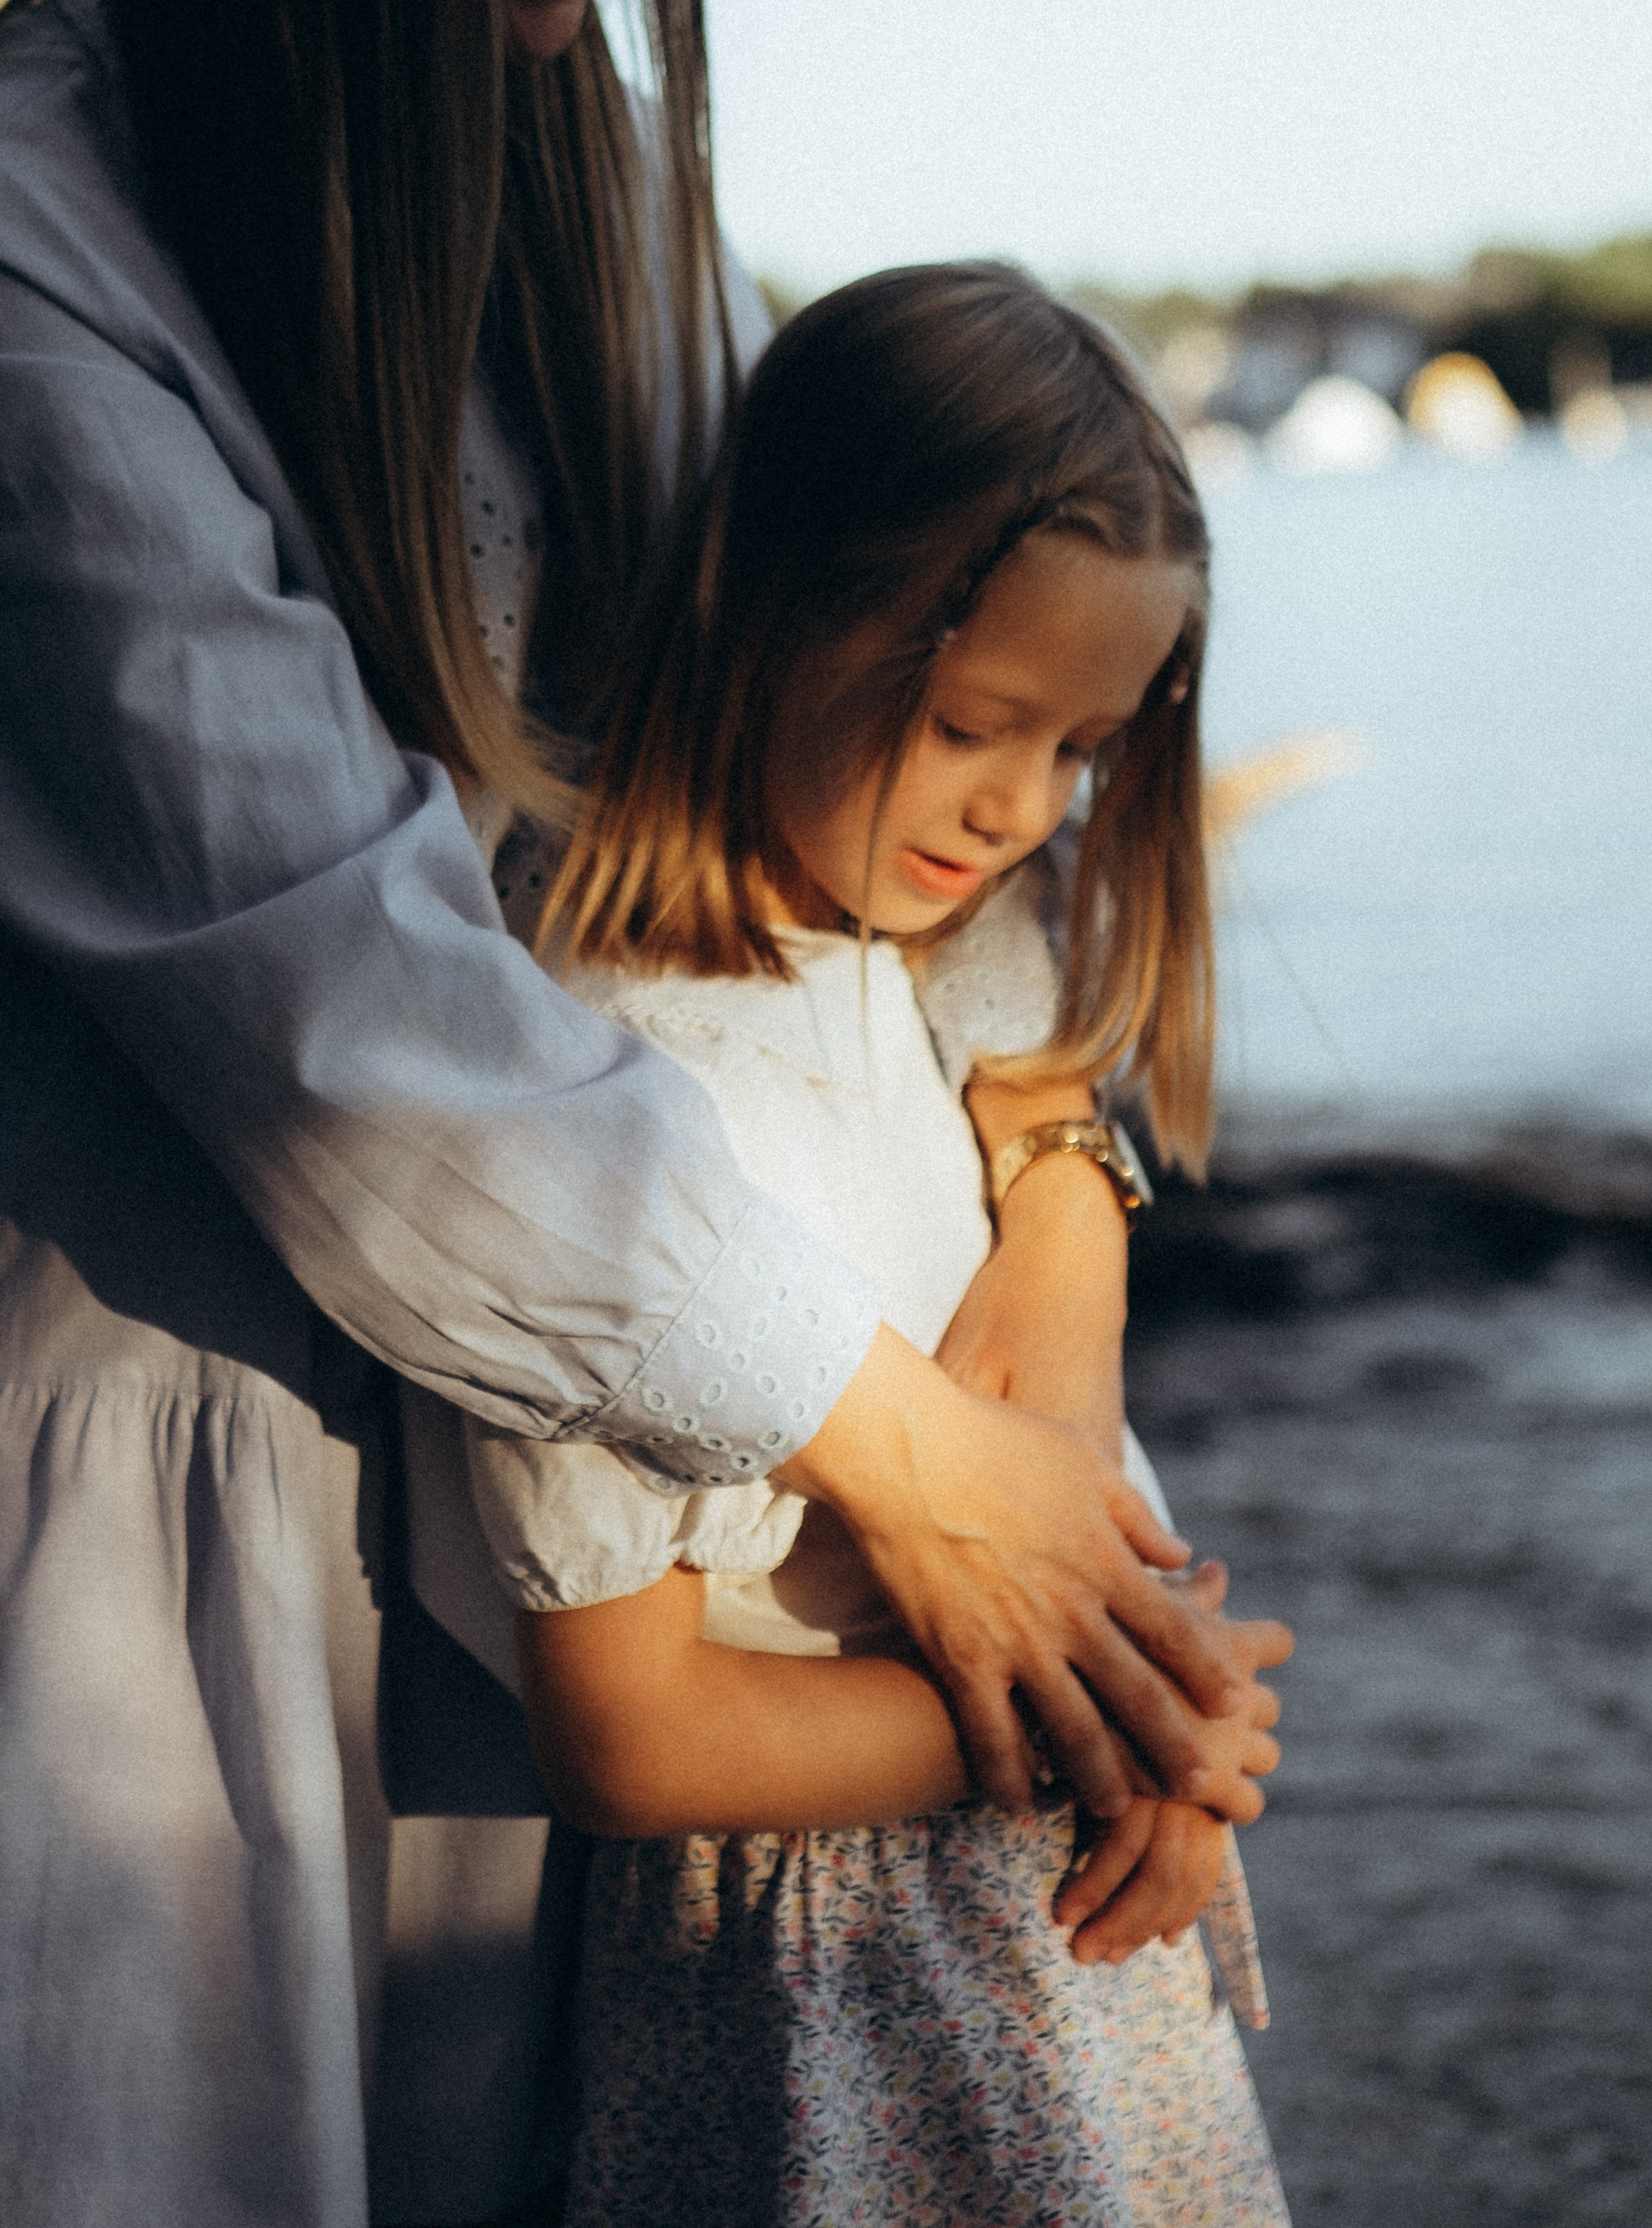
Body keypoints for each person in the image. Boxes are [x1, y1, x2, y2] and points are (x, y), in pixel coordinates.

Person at [0, 5, 1277, 2225]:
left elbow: (908, 752)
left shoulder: (594, 181)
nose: (583, 24)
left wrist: (1063, 1217)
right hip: (225, 1479)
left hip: (688, 1606)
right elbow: (339, 996)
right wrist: (1096, 1697)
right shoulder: (47, 231)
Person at [429, 261, 1290, 2225]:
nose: (1017, 810)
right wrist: (1118, 1716)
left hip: (1053, 1917)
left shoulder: (921, 951)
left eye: (1078, 749)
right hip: (834, 1992)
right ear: (773, 603)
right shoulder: (597, 1115)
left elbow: (1043, 1122)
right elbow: (633, 1740)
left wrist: (1129, 1709)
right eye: (976, 720)